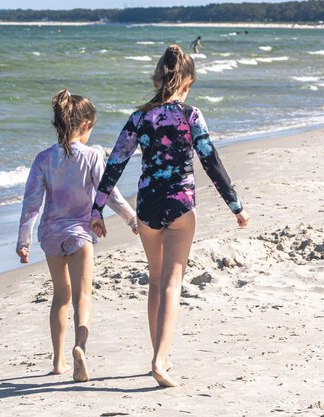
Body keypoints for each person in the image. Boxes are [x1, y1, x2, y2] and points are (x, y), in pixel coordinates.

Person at [90, 45, 249, 387]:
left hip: (147, 207)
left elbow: (115, 161)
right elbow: (211, 161)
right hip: (180, 206)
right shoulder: (192, 116)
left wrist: (97, 208)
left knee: (156, 280)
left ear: (157, 78)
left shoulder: (140, 118)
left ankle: (158, 354)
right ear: (187, 82)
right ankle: (160, 359)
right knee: (173, 284)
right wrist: (235, 206)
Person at [17, 89, 138, 382]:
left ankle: (58, 361)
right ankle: (79, 348)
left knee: (60, 297)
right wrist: (132, 219)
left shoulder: (43, 159)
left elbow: (31, 204)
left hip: (50, 236)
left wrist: (23, 242)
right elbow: (110, 194)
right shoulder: (93, 156)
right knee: (83, 298)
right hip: (80, 234)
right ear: (84, 126)